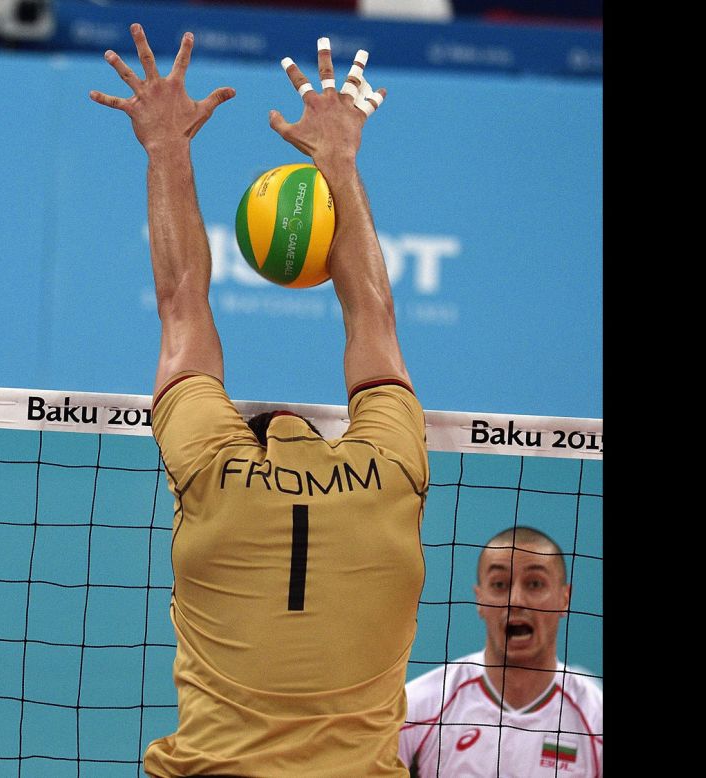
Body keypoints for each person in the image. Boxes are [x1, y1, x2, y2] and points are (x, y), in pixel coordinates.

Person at [90, 25, 427, 778]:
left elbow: (181, 304)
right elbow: (372, 312)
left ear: (249, 434)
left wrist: (166, 147)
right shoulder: (389, 473)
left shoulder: (214, 476)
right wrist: (337, 159)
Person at [399, 527, 603, 776]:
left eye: (535, 584)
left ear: (564, 599)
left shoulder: (595, 720)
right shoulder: (418, 709)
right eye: (499, 584)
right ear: (480, 599)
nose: (515, 600)